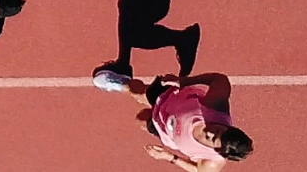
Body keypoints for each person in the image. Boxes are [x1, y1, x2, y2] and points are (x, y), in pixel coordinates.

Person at [90, 72, 253, 169]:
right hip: (169, 99)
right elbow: (219, 79)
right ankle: (122, 83)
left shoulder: (213, 162)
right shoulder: (215, 106)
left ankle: (148, 108)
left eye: (212, 139)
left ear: (219, 152)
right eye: (218, 130)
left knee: (140, 119)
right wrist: (183, 81)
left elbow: (197, 170)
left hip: (165, 129)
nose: (210, 132)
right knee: (139, 93)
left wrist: (170, 157)